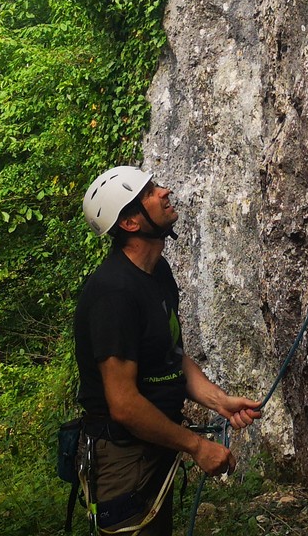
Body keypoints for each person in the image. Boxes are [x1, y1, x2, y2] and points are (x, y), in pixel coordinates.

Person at [73, 166, 262, 534]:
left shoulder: (157, 273)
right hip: (124, 456)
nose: (164, 191)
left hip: (155, 443)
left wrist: (219, 401)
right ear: (130, 223)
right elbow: (124, 404)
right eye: (149, 192)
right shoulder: (113, 294)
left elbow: (171, 354)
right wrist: (196, 446)